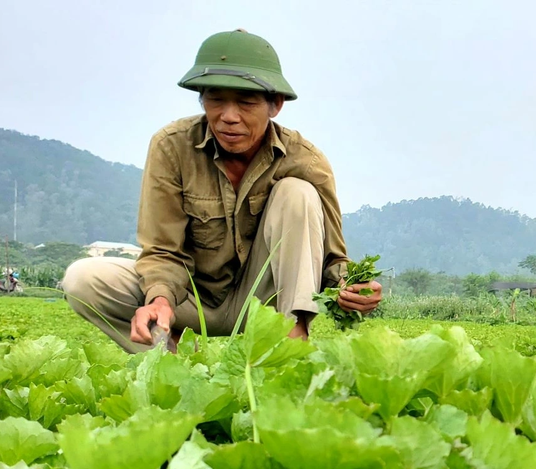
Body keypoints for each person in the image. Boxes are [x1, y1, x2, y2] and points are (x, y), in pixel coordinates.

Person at [62, 29, 381, 352]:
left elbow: (331, 258)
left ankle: (291, 342)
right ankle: (173, 364)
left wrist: (349, 286)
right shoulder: (171, 147)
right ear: (202, 99)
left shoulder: (305, 160)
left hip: (262, 304)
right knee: (83, 279)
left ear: (276, 105)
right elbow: (162, 250)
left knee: (296, 193)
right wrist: (159, 299)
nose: (229, 117)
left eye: (246, 102)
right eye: (215, 99)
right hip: (189, 298)